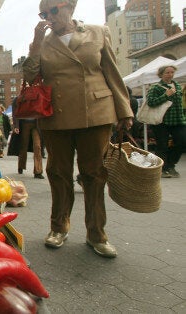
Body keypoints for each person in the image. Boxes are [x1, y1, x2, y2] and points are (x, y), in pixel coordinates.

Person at [23, 0, 133, 258]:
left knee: (94, 174)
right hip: (55, 116)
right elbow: (29, 76)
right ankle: (58, 227)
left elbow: (112, 72)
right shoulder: (43, 42)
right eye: (44, 13)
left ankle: (97, 234)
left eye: (53, 10)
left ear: (70, 7)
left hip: (95, 111)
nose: (49, 17)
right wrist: (36, 42)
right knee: (58, 173)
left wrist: (124, 109)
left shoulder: (97, 32)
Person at [146, 65, 185, 178]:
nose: (170, 74)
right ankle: (163, 169)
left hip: (177, 120)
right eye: (167, 72)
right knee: (162, 145)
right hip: (161, 121)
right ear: (161, 74)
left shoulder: (177, 85)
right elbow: (151, 102)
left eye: (172, 72)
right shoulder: (155, 87)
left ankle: (170, 164)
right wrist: (165, 96)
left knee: (182, 141)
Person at [11, 98, 44, 179]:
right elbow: (15, 113)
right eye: (23, 84)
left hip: (36, 125)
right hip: (24, 124)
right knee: (23, 146)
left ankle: (38, 171)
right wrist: (16, 126)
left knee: (37, 146)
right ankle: (21, 166)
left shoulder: (37, 96)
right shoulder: (18, 99)